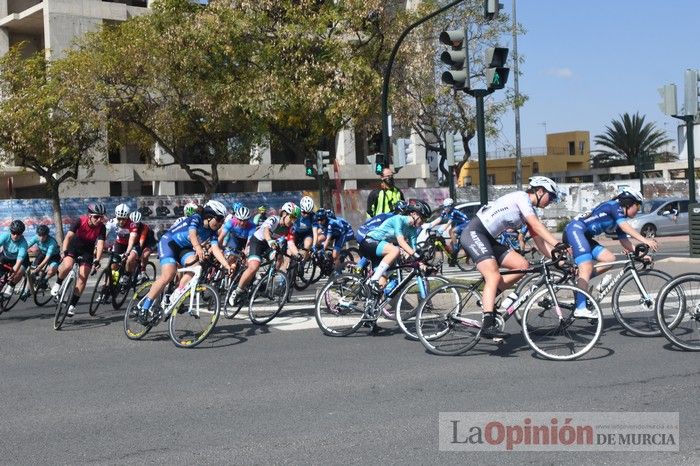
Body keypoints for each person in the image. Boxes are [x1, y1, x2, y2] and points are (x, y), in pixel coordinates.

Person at [460, 176, 563, 339]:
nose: (551, 201)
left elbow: (539, 243)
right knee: (493, 275)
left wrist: (560, 258)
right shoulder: (522, 198)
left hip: (488, 238)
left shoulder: (529, 210)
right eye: (551, 197)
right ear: (540, 191)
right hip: (475, 232)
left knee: (523, 265)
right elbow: (537, 225)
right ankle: (487, 324)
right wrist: (558, 244)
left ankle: (489, 297)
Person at [563, 189, 658, 318]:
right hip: (575, 230)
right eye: (638, 205)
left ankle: (581, 281)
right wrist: (645, 240)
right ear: (629, 203)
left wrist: (641, 255)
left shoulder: (618, 218)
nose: (639, 209)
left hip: (584, 236)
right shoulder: (615, 207)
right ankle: (580, 307)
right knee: (586, 266)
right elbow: (626, 228)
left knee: (609, 258)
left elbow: (625, 242)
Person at [137, 200, 232, 315]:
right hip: (169, 243)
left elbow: (215, 249)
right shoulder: (196, 218)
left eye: (222, 220)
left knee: (196, 268)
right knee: (169, 274)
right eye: (219, 219)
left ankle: (176, 294)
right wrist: (197, 247)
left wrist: (227, 265)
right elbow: (192, 233)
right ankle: (144, 307)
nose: (221, 223)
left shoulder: (212, 232)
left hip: (184, 248)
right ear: (209, 216)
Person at [228, 202, 301, 306]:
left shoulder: (290, 228)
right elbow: (266, 230)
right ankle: (237, 291)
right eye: (292, 217)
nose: (293, 221)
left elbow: (291, 243)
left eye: (295, 219)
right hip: (257, 242)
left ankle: (264, 278)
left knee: (279, 257)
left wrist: (298, 254)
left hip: (269, 245)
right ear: (284, 214)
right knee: (254, 267)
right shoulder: (274, 219)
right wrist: (270, 241)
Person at [359, 200, 431, 295]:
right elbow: (401, 241)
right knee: (395, 250)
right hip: (369, 242)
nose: (423, 222)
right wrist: (414, 254)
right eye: (423, 218)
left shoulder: (412, 230)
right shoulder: (398, 219)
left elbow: (412, 250)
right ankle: (373, 280)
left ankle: (371, 305)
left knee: (382, 282)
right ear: (414, 214)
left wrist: (421, 264)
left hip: (380, 251)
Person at [50, 203, 107, 317]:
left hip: (87, 251)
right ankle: (58, 283)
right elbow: (68, 237)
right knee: (68, 265)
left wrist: (97, 260)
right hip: (74, 246)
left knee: (83, 277)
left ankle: (72, 305)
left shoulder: (101, 227)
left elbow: (100, 244)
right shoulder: (80, 221)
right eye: (96, 217)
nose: (99, 219)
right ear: (89, 215)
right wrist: (65, 252)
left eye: (101, 217)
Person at [425, 198, 470, 265]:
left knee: (452, 231)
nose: (445, 208)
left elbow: (449, 223)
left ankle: (456, 247)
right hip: (459, 224)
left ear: (451, 207)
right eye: (444, 207)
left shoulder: (454, 212)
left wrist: (442, 230)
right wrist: (430, 226)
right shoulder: (445, 211)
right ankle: (453, 256)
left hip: (465, 223)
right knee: (450, 236)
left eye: (447, 207)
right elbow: (439, 219)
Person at [106, 203, 140, 284]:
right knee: (113, 266)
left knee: (129, 259)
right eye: (119, 218)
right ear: (116, 216)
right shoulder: (112, 222)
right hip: (120, 243)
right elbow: (104, 235)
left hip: (133, 245)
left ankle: (127, 276)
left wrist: (127, 252)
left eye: (124, 219)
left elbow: (131, 241)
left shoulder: (132, 224)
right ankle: (110, 285)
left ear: (127, 217)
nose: (121, 221)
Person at [217, 205, 255, 271]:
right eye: (240, 220)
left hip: (245, 241)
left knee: (247, 263)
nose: (242, 223)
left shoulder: (252, 226)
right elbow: (221, 237)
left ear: (248, 219)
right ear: (236, 218)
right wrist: (218, 247)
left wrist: (246, 253)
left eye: (245, 220)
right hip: (235, 240)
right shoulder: (231, 222)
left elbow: (249, 242)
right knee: (231, 257)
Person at [0, 220, 30, 299]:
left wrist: (13, 272)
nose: (15, 236)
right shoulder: (5, 236)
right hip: (6, 257)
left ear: (22, 234)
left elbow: (18, 263)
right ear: (10, 231)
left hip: (20, 260)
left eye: (18, 234)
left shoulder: (23, 244)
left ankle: (11, 286)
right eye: (13, 233)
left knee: (18, 272)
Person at [128, 211, 156, 283]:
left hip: (149, 243)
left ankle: (143, 271)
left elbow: (141, 243)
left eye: (137, 224)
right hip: (137, 242)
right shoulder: (129, 226)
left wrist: (138, 254)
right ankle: (133, 274)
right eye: (133, 223)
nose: (135, 225)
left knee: (144, 255)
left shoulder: (144, 227)